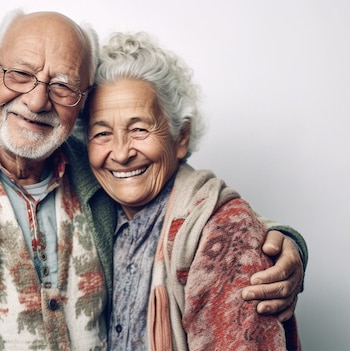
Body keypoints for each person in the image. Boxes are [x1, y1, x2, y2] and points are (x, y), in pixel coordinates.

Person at [0, 9, 306, 351]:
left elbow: (190, 217)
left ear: (81, 100)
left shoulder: (97, 172)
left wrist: (281, 242)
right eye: (21, 74)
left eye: (61, 85)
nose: (37, 101)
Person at [83, 31, 305, 350]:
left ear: (181, 137)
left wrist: (271, 241)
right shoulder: (90, 208)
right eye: (102, 133)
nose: (120, 153)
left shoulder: (222, 233)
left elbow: (236, 229)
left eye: (139, 129)